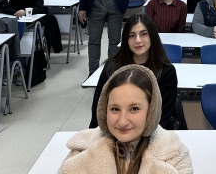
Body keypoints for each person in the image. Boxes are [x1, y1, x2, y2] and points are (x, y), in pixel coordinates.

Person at [64, 65, 192, 174]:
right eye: (115, 109)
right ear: (104, 110)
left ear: (151, 110)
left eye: (134, 109)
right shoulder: (80, 152)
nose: (122, 122)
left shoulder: (175, 156)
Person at [89, 14, 179, 130]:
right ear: (126, 39)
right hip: (115, 133)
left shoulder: (166, 71)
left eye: (143, 34)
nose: (138, 40)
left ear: (152, 37)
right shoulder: (111, 68)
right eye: (132, 35)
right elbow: (99, 109)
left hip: (151, 135)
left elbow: (163, 116)